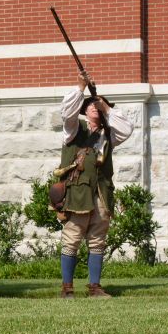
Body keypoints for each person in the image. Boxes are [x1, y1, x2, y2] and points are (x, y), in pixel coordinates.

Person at [57, 74, 134, 298]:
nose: (94, 107)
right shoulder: (74, 129)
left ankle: (94, 287)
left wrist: (107, 108)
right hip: (77, 192)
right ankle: (67, 288)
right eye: (90, 105)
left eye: (97, 105)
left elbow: (127, 128)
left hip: (101, 193)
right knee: (71, 238)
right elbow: (67, 113)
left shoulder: (109, 134)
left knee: (98, 240)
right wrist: (81, 87)